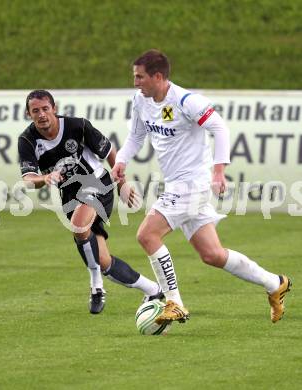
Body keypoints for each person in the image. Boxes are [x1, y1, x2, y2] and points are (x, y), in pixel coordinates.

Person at [112, 49, 292, 325]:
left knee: (147, 235)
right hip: (177, 183)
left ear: (158, 77)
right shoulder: (141, 101)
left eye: (140, 77)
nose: (135, 82)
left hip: (191, 184)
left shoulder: (186, 100)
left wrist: (219, 171)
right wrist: (121, 160)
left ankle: (174, 302)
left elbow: (219, 128)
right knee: (212, 254)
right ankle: (275, 283)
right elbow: (136, 136)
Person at [18, 89, 163, 315]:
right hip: (70, 198)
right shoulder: (27, 140)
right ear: (29, 114)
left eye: (45, 109)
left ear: (54, 109)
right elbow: (28, 179)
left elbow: (109, 152)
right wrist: (44, 178)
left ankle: (96, 287)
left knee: (78, 225)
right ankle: (153, 289)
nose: (41, 114)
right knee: (103, 261)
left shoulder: (78, 126)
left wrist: (122, 183)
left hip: (97, 183)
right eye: (35, 111)